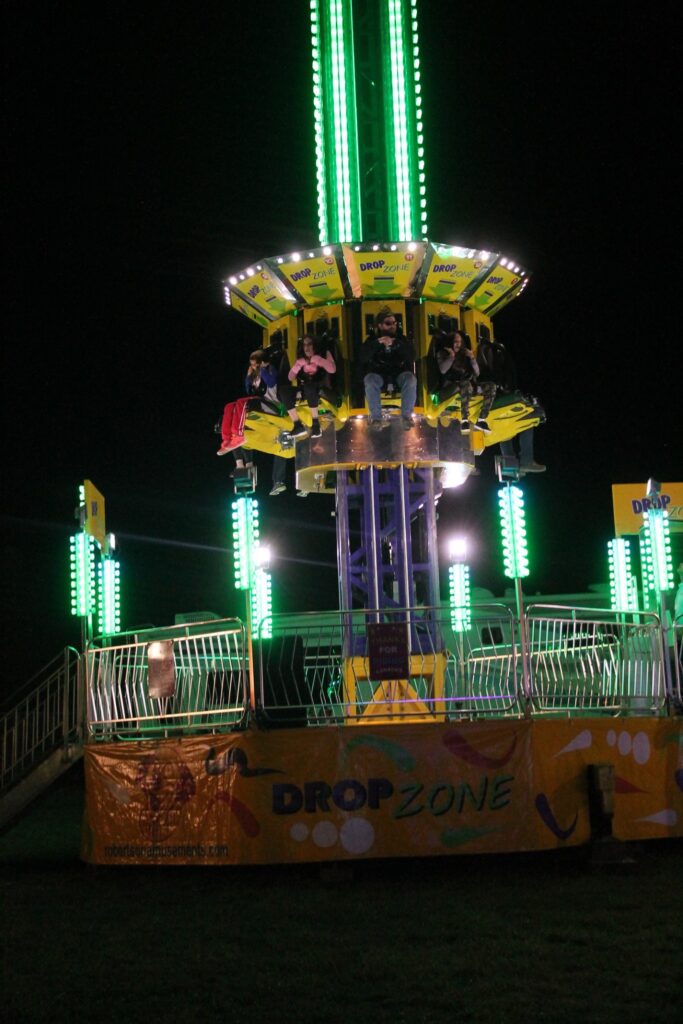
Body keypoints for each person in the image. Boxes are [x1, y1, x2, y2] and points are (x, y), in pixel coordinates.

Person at [216, 349, 289, 495]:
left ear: (262, 362)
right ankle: (227, 441)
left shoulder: (270, 370)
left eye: (255, 364)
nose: (254, 367)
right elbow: (249, 390)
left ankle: (238, 435)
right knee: (229, 406)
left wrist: (261, 369)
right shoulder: (255, 374)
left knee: (242, 404)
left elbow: (272, 382)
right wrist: (249, 377)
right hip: (259, 403)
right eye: (252, 365)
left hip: (272, 405)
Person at [477, 335, 546, 473]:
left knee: (511, 424)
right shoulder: (490, 357)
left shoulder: (490, 356)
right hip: (491, 404)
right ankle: (523, 460)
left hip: (496, 402)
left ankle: (513, 462)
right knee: (528, 418)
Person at [361, 310, 417, 430]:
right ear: (380, 325)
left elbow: (412, 356)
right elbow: (363, 357)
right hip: (379, 375)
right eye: (388, 323)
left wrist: (396, 343)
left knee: (410, 379)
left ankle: (406, 416)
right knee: (369, 380)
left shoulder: (402, 339)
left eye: (394, 323)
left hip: (399, 375)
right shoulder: (372, 340)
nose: (393, 325)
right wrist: (377, 344)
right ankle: (376, 418)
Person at [435, 331, 495, 433]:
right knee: (466, 385)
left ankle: (481, 420)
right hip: (450, 385)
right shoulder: (443, 353)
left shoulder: (464, 355)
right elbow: (443, 370)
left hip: (467, 384)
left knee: (491, 386)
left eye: (460, 341)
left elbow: (477, 373)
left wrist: (472, 358)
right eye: (455, 341)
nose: (458, 344)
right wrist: (451, 356)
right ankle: (464, 420)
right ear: (450, 342)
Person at [279, 334, 336, 439]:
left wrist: (318, 360)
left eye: (309, 344)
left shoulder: (324, 353)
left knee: (309, 387)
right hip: (305, 390)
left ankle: (315, 425)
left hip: (320, 388)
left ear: (315, 345)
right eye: (304, 345)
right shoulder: (301, 360)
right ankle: (297, 425)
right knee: (283, 391)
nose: (307, 347)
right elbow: (290, 377)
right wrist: (298, 365)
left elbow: (332, 369)